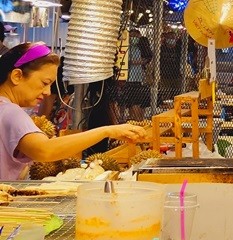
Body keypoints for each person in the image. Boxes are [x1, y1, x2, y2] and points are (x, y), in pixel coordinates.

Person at [0, 42, 148, 180]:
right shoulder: (11, 112)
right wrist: (106, 131)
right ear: (17, 76)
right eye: (44, 83)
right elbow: (45, 150)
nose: (47, 92)